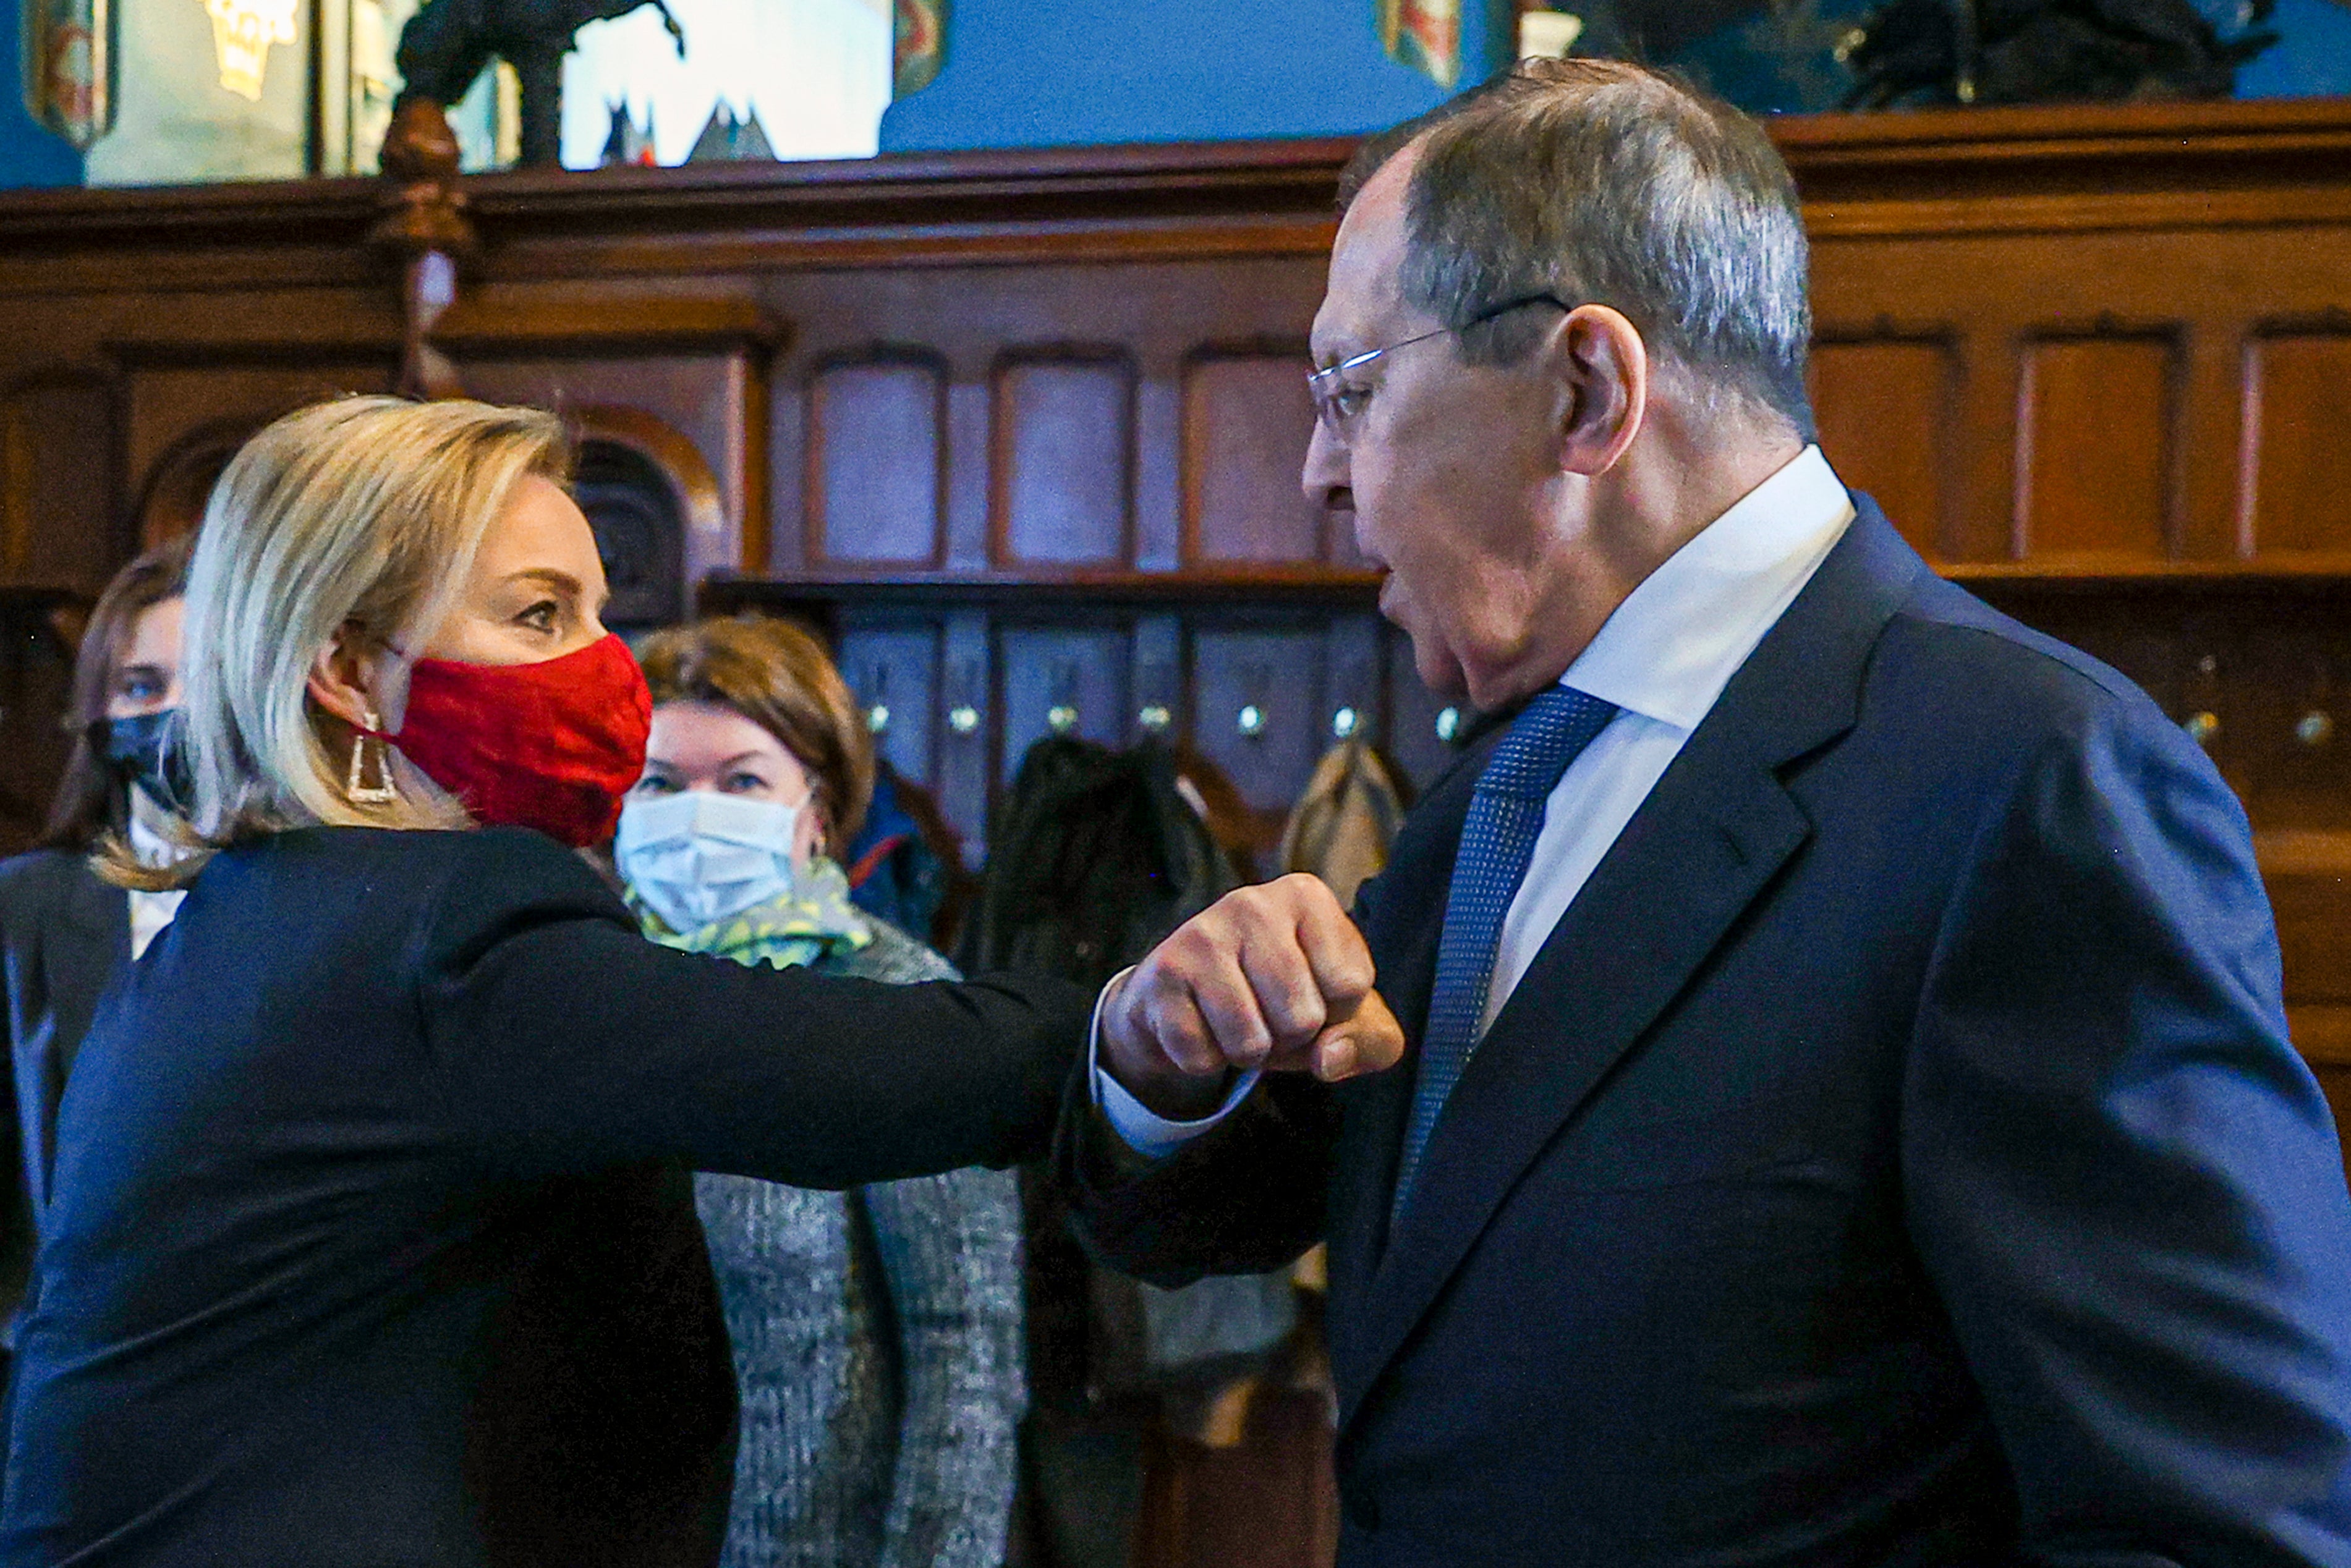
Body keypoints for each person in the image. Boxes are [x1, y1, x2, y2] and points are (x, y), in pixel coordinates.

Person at [1066, 58, 2351, 1567]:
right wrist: (1164, 1055)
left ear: (1588, 393)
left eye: (1352, 390)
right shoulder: (1507, 772)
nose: (1320, 473)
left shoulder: (2034, 784)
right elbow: (1326, 1242)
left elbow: (2218, 1529)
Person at [0, 396, 1105, 1568]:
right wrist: (1131, 1021)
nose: (605, 667)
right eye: (540, 616)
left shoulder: (245, 917)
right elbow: (838, 1074)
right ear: (348, 669)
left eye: (597, 613)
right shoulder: (441, 921)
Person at [616, 614, 1024, 1568]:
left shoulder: (895, 998)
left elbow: (965, 1345)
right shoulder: (591, 986)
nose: (696, 813)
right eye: (663, 785)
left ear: (817, 812)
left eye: (743, 781)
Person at [0, 536, 191, 1382]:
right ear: (100, 712)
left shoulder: (336, 908)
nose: (175, 713)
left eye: (206, 681)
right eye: (144, 686)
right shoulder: (24, 908)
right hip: (61, 1384)